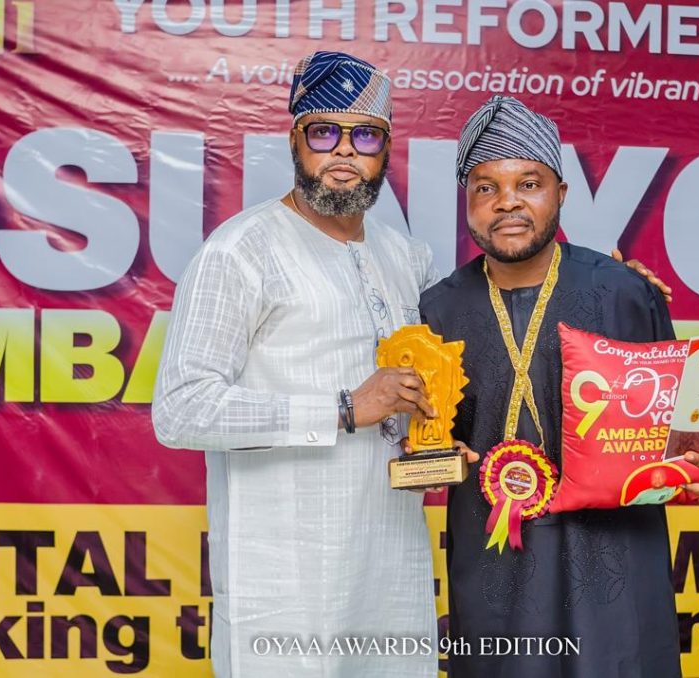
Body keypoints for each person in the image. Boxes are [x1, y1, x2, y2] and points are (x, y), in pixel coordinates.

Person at [419, 95, 699, 677]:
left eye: (528, 183)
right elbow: (426, 447)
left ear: (560, 192)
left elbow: (688, 433)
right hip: (495, 569)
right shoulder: (438, 309)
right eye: (486, 187)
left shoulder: (624, 293)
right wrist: (432, 460)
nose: (507, 202)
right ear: (468, 202)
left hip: (615, 568)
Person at [152, 51, 445, 678]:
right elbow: (180, 409)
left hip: (390, 569)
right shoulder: (241, 251)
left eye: (365, 136)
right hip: (284, 583)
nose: (344, 151)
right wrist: (344, 408)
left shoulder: (407, 257)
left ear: (386, 149)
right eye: (324, 132)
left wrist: (612, 290)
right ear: (294, 140)